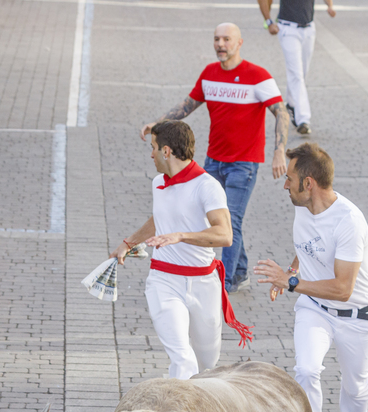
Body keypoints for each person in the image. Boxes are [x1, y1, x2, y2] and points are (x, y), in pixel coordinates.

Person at [253, 143, 368, 412]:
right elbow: (307, 247)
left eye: (289, 178)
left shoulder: (349, 222)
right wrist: (293, 271)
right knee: (306, 370)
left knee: (356, 388)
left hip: (354, 314)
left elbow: (342, 288)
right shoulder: (302, 207)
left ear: (309, 184)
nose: (284, 185)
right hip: (314, 308)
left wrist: (291, 283)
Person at [140, 23, 289, 294]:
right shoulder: (209, 74)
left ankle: (226, 283)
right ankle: (240, 269)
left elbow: (281, 112)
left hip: (244, 163)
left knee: (229, 219)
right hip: (212, 161)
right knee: (214, 218)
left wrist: (279, 150)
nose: (221, 44)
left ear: (239, 42)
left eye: (226, 39)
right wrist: (158, 124)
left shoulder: (258, 76)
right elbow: (188, 105)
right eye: (217, 39)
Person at [112, 120, 252, 380]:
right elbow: (160, 218)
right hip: (164, 281)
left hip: (204, 283)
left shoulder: (207, 187)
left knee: (206, 365)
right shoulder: (158, 183)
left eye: (153, 147)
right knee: (182, 357)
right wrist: (128, 243)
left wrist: (182, 236)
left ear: (166, 151)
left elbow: (225, 235)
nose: (150, 154)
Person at [258, 0, 336, 135]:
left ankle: (292, 105)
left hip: (309, 28)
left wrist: (330, 6)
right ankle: (303, 119)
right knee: (296, 75)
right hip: (288, 29)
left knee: (302, 73)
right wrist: (269, 21)